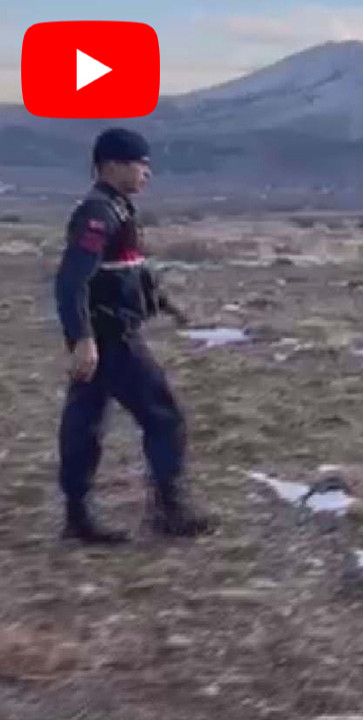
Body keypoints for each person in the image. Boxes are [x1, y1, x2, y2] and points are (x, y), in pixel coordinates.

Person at [54, 127, 215, 544]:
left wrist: (167, 305)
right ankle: (169, 512)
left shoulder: (118, 208)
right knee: (164, 417)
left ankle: (77, 518)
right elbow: (71, 281)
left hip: (103, 336)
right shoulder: (98, 213)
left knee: (85, 423)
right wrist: (83, 339)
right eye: (140, 164)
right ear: (111, 165)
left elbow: (130, 270)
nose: (147, 172)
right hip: (111, 338)